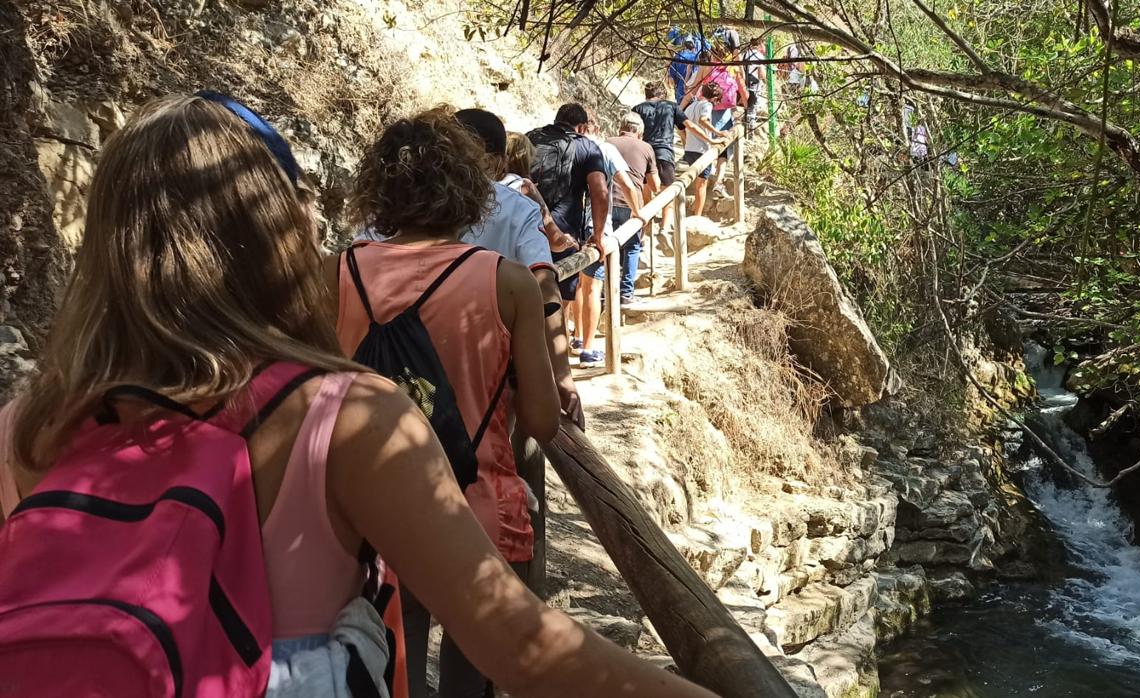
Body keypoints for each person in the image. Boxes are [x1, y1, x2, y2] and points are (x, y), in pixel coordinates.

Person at [0, 93, 714, 698]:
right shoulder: (348, 420)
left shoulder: (24, 430)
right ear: (277, 230)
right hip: (474, 502)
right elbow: (520, 644)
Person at [454, 109, 583, 429]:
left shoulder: (404, 202)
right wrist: (562, 375)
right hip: (487, 363)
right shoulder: (518, 205)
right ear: (499, 161)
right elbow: (544, 285)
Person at [569, 116, 642, 366]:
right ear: (597, 129)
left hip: (568, 226)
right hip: (595, 225)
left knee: (578, 284)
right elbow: (626, 184)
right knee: (592, 287)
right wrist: (638, 213)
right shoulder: (604, 149)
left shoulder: (570, 146)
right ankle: (588, 349)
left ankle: (577, 337)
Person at [525, 104, 610, 314]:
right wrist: (598, 236)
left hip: (525, 226)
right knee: (557, 303)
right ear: (581, 127)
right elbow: (600, 192)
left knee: (524, 296)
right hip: (564, 234)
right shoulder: (587, 147)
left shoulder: (531, 138)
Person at [633, 82, 718, 235]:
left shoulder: (638, 109)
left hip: (644, 153)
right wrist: (711, 140)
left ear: (646, 95)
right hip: (664, 152)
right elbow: (688, 126)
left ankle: (647, 228)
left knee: (646, 191)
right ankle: (664, 228)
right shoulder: (671, 106)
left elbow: (634, 134)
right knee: (668, 191)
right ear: (663, 94)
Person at [680, 36, 747, 200]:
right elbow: (744, 91)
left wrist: (680, 108)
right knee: (725, 149)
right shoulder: (733, 68)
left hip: (708, 109)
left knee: (706, 146)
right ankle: (718, 181)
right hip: (725, 113)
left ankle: (701, 182)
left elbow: (693, 88)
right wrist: (746, 110)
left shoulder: (706, 67)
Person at [605, 113, 659, 304]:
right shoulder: (646, 148)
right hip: (631, 203)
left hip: (607, 202)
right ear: (639, 132)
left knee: (606, 246)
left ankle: (604, 292)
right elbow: (655, 184)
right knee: (632, 247)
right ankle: (626, 292)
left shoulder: (607, 143)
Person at [682, 82, 729, 217]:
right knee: (701, 185)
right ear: (714, 98)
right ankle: (697, 216)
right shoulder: (706, 105)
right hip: (701, 149)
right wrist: (717, 134)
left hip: (689, 149)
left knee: (698, 182)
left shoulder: (690, 106)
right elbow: (703, 120)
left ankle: (696, 212)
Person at [741, 37, 766, 135]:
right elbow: (762, 75)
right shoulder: (759, 56)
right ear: (760, 44)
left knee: (746, 107)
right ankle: (750, 132)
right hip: (754, 86)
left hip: (744, 84)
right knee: (753, 109)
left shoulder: (745, 54)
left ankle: (744, 130)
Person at [667, 34, 700, 105]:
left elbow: (671, 76)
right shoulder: (696, 58)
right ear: (693, 47)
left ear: (684, 46)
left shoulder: (677, 56)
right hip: (692, 90)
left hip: (679, 89)